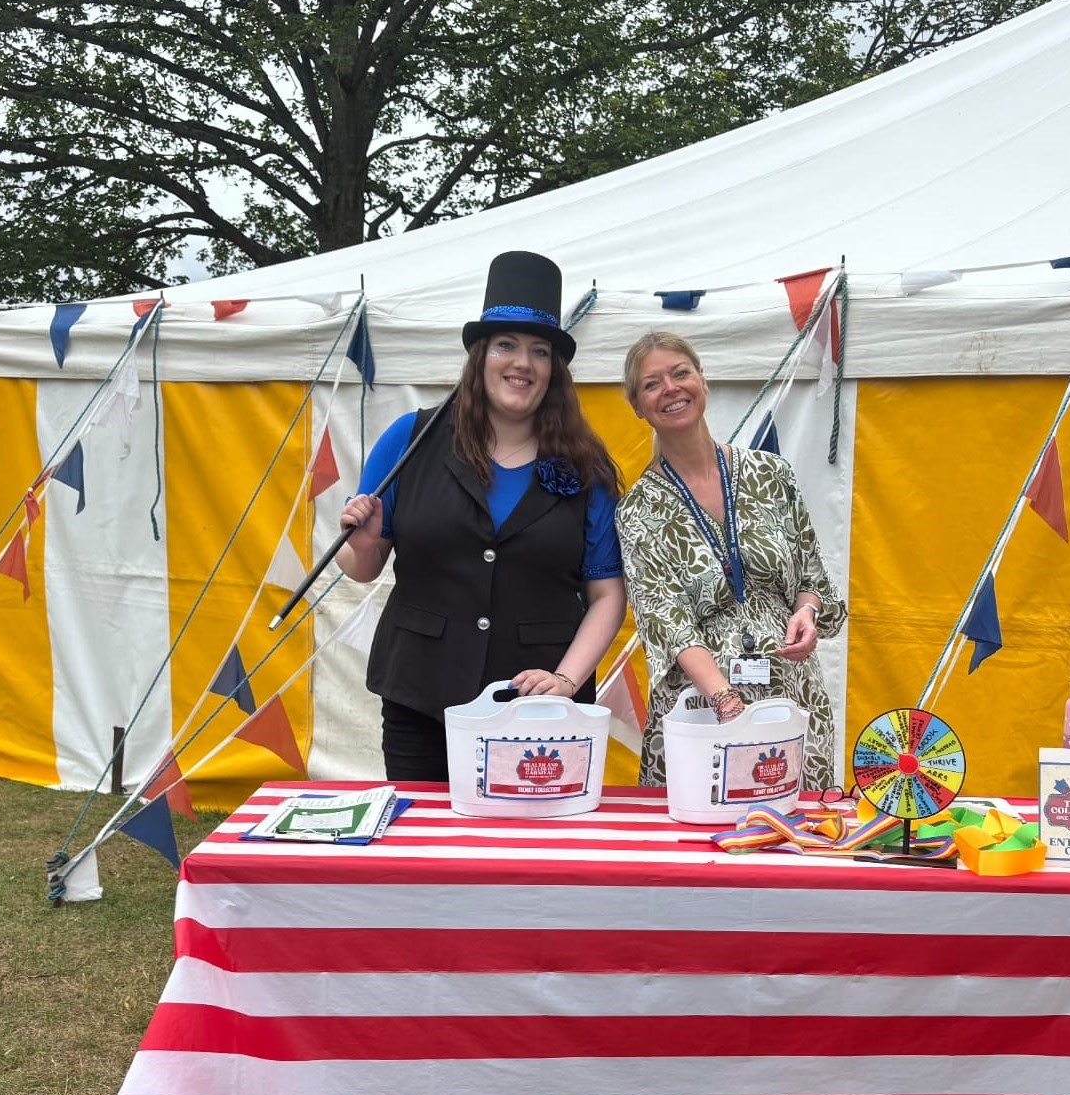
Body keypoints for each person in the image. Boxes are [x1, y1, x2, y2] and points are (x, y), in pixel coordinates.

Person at [336, 251, 626, 781]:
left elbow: (607, 594)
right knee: (426, 850)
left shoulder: (587, 468)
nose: (523, 363)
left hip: (542, 709)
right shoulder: (410, 439)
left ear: (554, 371)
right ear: (480, 355)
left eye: (540, 351)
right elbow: (364, 569)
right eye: (506, 346)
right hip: (421, 696)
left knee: (532, 860)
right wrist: (363, 543)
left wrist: (565, 680)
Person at [616, 331, 847, 790]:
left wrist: (806, 611)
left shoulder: (771, 474)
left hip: (790, 695)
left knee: (796, 844)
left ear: (703, 380)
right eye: (652, 384)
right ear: (638, 407)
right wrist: (727, 702)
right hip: (702, 708)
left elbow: (812, 577)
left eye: (681, 373)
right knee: (701, 846)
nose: (671, 388)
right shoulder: (638, 508)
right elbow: (666, 621)